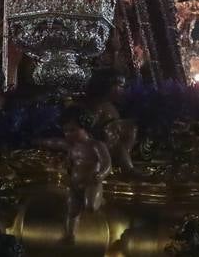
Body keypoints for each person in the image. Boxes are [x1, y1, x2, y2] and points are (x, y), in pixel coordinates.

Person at [37, 106, 111, 244]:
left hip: (91, 182)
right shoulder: (70, 146)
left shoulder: (96, 145)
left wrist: (101, 174)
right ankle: (70, 235)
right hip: (74, 184)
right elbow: (54, 142)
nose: (68, 134)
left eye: (72, 130)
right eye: (65, 131)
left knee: (90, 207)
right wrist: (40, 141)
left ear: (85, 127)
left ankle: (100, 200)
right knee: (72, 211)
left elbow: (107, 163)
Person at [75, 68, 138, 173]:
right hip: (99, 146)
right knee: (119, 148)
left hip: (111, 144)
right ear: (109, 86)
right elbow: (89, 127)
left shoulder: (109, 106)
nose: (123, 90)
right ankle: (129, 170)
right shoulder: (97, 105)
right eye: (121, 86)